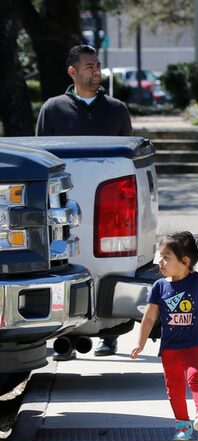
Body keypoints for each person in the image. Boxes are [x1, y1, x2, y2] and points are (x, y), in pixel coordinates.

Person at [37, 44, 131, 359]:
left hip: (110, 206)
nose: (96, 70)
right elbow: (41, 159)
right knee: (67, 266)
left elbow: (127, 159)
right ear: (72, 71)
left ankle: (110, 333)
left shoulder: (116, 109)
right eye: (89, 66)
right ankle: (65, 338)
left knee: (110, 268)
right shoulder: (53, 109)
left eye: (98, 65)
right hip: (67, 205)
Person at [130, 224, 198, 441]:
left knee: (195, 377)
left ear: (185, 261)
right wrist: (140, 342)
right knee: (174, 387)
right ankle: (182, 424)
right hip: (170, 348)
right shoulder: (159, 287)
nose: (160, 262)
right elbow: (150, 317)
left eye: (165, 257)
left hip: (194, 345)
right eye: (160, 257)